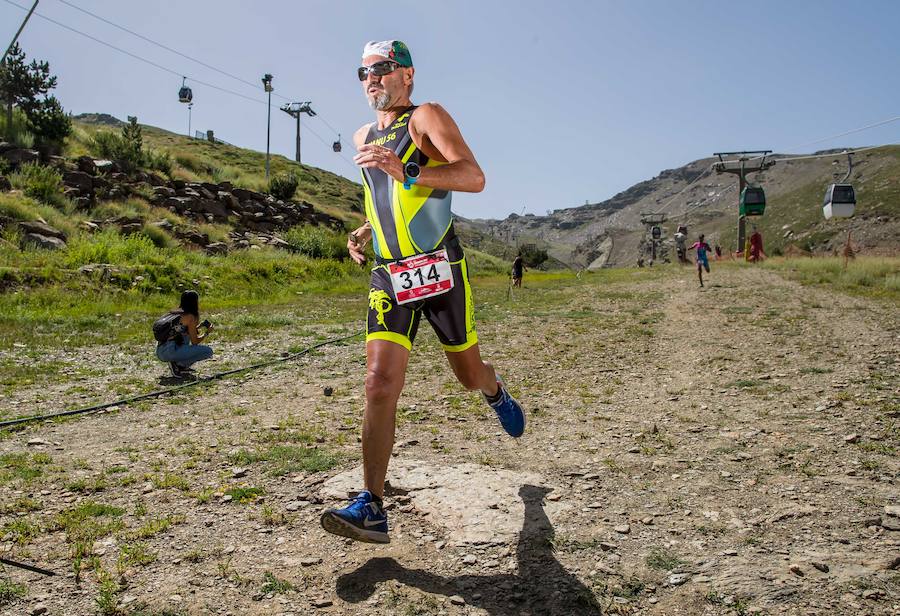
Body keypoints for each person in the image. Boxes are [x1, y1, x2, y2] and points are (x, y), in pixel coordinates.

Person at [320, 40, 526, 544]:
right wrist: (365, 230)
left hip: (438, 269)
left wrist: (408, 167)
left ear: (407, 75)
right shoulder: (364, 134)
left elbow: (472, 176)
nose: (372, 79)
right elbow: (384, 198)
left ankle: (494, 389)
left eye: (383, 69)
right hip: (390, 273)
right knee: (378, 383)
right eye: (363, 73)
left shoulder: (425, 118)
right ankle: (371, 505)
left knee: (467, 373)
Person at [154, 290, 213, 377]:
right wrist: (207, 332)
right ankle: (179, 365)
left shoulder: (174, 313)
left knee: (185, 337)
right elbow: (195, 342)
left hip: (160, 351)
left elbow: (179, 331)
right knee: (208, 351)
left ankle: (178, 365)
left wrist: (197, 327)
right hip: (170, 352)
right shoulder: (190, 317)